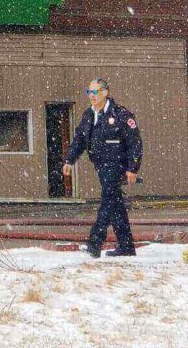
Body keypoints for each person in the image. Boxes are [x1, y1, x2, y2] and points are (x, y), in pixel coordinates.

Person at [62, 77, 142, 258]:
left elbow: (134, 143)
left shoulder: (121, 114)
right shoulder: (88, 115)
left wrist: (132, 168)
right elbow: (80, 140)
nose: (91, 95)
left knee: (107, 202)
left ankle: (94, 244)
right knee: (115, 205)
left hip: (116, 165)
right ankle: (126, 246)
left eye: (95, 91)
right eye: (89, 92)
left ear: (105, 92)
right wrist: (69, 160)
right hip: (101, 166)